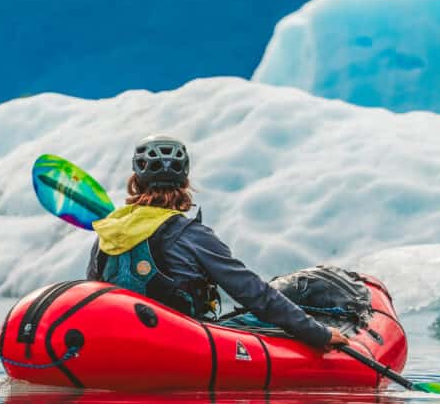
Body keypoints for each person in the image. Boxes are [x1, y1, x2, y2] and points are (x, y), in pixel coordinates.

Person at [86, 134, 348, 350]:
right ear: (185, 182)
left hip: (116, 344)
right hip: (180, 346)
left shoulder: (107, 233)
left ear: (135, 182)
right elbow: (255, 293)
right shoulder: (191, 234)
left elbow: (94, 298)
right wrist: (317, 333)